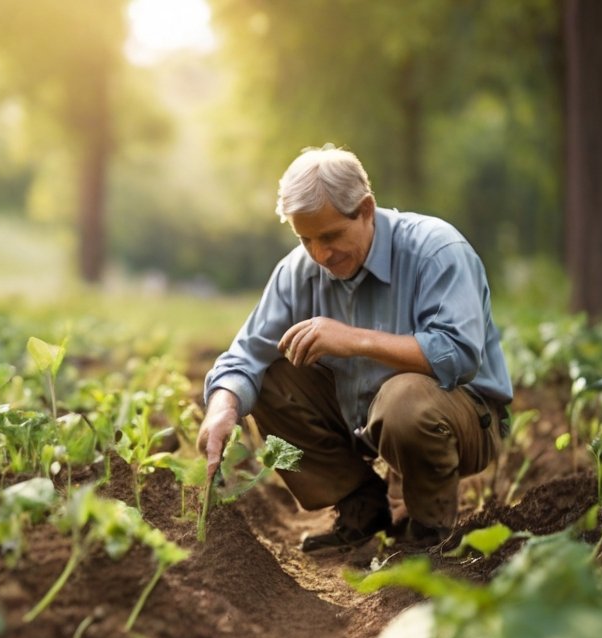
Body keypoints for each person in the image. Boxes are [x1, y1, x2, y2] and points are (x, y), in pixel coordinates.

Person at [196, 145, 513, 552]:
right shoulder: (299, 270)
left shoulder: (437, 250)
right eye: (306, 239)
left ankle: (429, 528)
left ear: (365, 209)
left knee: (404, 401)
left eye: (330, 236)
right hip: (362, 418)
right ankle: (361, 506)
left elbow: (458, 353)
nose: (319, 254)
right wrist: (223, 407)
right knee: (270, 378)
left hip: (466, 420)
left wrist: (354, 339)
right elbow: (246, 356)